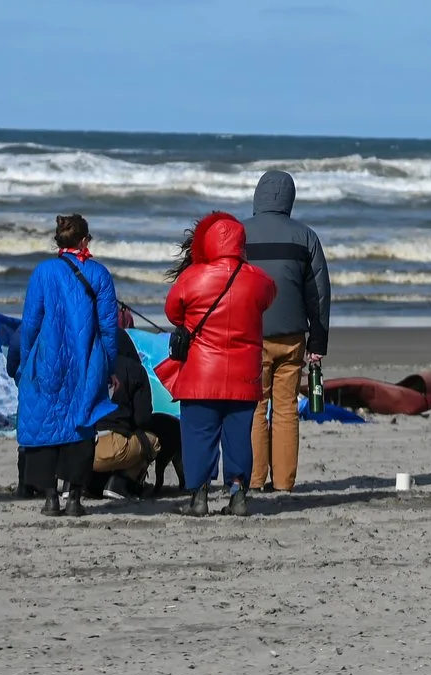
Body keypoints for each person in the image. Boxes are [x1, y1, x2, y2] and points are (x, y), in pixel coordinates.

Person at [163, 211, 277, 516]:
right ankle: (239, 495)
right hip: (244, 375)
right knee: (239, 436)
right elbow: (269, 298)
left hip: (201, 373)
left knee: (199, 435)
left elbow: (173, 312)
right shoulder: (259, 280)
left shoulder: (193, 277)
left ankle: (198, 498)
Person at [18, 213, 120, 517]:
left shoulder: (43, 272)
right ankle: (74, 498)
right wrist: (109, 364)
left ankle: (50, 497)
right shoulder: (100, 274)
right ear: (85, 240)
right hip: (86, 359)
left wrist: (26, 361)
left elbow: (30, 323)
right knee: (81, 425)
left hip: (48, 358)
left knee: (45, 423)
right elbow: (109, 328)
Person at [242, 170, 332, 496]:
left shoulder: (240, 234)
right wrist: (318, 342)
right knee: (285, 408)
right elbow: (319, 295)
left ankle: (254, 480)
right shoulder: (305, 236)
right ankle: (283, 483)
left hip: (250, 335)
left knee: (255, 407)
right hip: (293, 337)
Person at [89, 331, 162, 498]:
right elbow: (142, 419)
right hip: (114, 446)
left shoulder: (88, 366)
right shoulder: (136, 370)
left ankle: (76, 485)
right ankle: (121, 483)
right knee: (152, 441)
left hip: (81, 449)